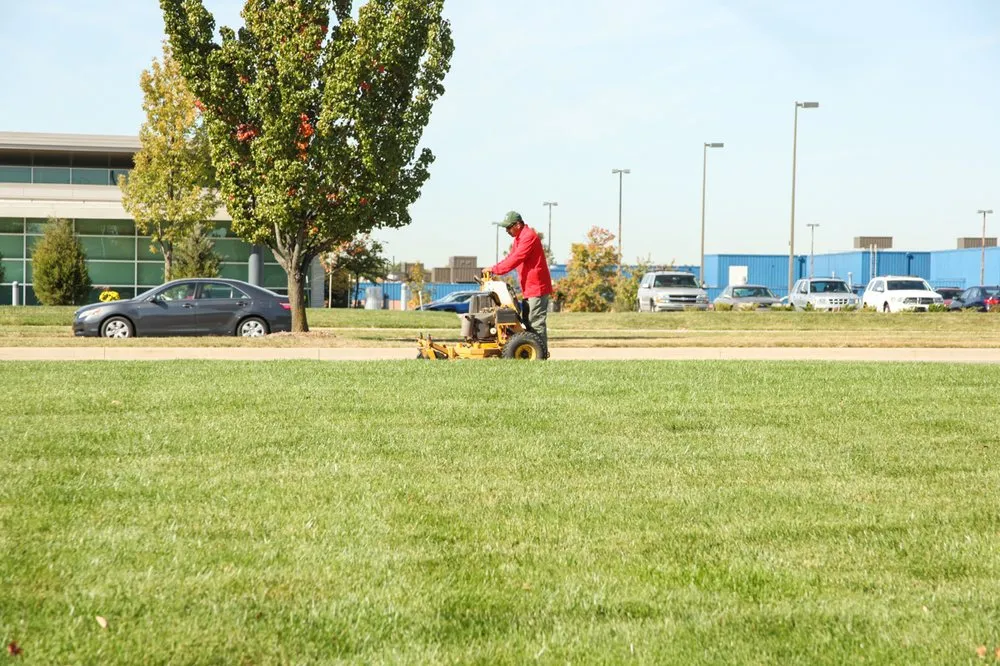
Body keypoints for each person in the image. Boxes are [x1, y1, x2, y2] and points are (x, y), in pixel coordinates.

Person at [488, 211, 553, 355]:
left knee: (535, 323)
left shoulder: (528, 236)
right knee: (526, 323)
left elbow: (516, 258)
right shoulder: (518, 238)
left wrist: (495, 270)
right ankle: (530, 352)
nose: (507, 231)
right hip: (529, 287)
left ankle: (541, 355)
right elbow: (510, 257)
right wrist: (494, 269)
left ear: (518, 225)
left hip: (537, 287)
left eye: (509, 227)